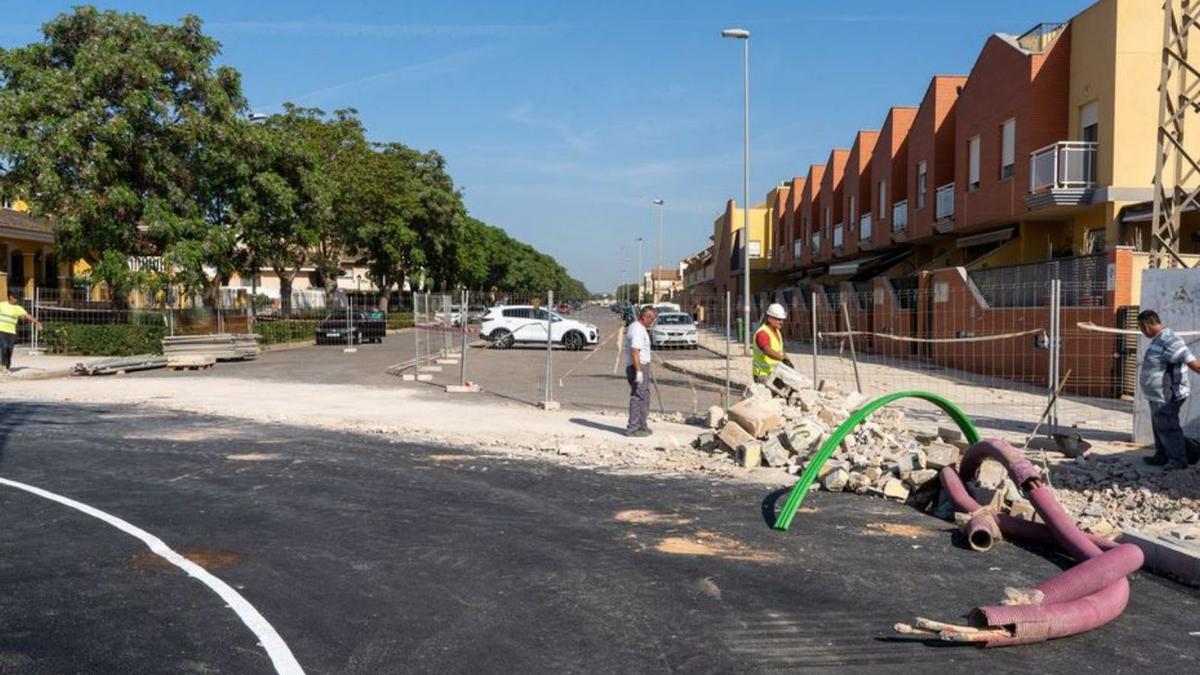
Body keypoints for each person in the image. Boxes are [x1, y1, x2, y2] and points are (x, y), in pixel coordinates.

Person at [1137, 309, 1200, 470]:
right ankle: (1162, 456)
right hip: (1156, 395)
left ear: (1145, 325)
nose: (1141, 331)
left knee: (1168, 427)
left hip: (1167, 395)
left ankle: (1178, 460)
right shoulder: (1158, 339)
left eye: (1140, 328)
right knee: (1159, 426)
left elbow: (1190, 360)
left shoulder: (1169, 339)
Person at [624, 305, 656, 437]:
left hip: (641, 365)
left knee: (644, 396)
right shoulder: (637, 330)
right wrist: (638, 371)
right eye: (651, 319)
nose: (652, 322)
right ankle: (633, 428)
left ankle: (642, 425)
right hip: (638, 366)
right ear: (644, 317)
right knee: (638, 397)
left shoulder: (637, 327)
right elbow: (635, 350)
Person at [0, 290, 42, 374]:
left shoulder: (18, 308)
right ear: (11, 297)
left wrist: (37, 323)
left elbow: (28, 316)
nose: (17, 300)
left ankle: (6, 367)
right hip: (1, 330)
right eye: (16, 298)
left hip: (11, 332)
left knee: (10, 350)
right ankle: (3, 366)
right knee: (4, 347)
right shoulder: (2, 305)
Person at [752, 303, 793, 384]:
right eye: (778, 319)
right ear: (770, 318)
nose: (781, 322)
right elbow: (767, 350)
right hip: (763, 375)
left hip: (774, 374)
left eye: (782, 319)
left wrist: (787, 360)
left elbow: (779, 349)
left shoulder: (776, 331)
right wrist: (782, 359)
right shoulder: (763, 333)